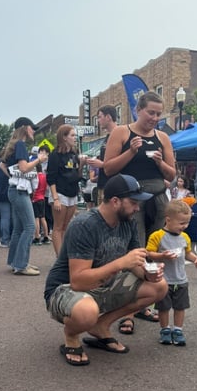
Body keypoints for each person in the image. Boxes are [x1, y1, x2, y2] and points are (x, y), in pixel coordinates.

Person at [44, 174, 168, 366]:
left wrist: (147, 273)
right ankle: (71, 335)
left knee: (159, 286)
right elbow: (78, 281)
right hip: (65, 289)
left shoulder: (129, 223)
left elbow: (134, 262)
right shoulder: (85, 224)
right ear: (115, 201)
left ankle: (100, 326)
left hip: (102, 285)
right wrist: (121, 263)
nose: (137, 208)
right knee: (87, 311)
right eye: (134, 202)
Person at [104, 91, 176, 329]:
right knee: (133, 251)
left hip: (157, 199)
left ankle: (144, 303)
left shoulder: (162, 137)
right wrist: (131, 152)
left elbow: (171, 174)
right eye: (151, 113)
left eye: (158, 113)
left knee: (153, 251)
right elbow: (108, 169)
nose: (155, 118)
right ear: (138, 110)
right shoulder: (121, 132)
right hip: (131, 201)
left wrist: (159, 162)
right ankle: (127, 314)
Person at [146, 200, 197, 346]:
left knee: (180, 306)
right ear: (168, 219)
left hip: (180, 279)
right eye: (181, 223)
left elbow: (187, 253)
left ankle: (177, 330)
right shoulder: (157, 236)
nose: (184, 226)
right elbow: (149, 253)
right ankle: (164, 330)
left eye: (187, 223)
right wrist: (162, 256)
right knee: (163, 307)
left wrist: (195, 259)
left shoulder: (185, 237)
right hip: (163, 280)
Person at [1, 117, 48, 275]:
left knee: (19, 228)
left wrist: (13, 178)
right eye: (31, 127)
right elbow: (23, 168)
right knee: (29, 227)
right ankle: (21, 265)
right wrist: (38, 160)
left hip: (14, 189)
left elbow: (2, 164)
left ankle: (15, 262)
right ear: (24, 128)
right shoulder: (20, 144)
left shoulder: (12, 145)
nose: (33, 130)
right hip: (20, 191)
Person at [47, 124, 86, 256]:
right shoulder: (55, 155)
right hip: (60, 192)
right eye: (72, 135)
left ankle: (64, 255)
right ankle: (60, 258)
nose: (75, 138)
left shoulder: (74, 153)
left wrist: (81, 165)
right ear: (64, 137)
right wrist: (55, 198)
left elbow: (77, 175)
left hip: (72, 192)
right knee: (58, 227)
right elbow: (50, 178)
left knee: (66, 226)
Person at [87, 105, 118, 205]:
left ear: (108, 117)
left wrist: (102, 164)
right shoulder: (108, 136)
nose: (98, 121)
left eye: (100, 117)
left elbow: (121, 161)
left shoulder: (119, 134)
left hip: (112, 186)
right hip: (102, 183)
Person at [32, 163, 50, 245]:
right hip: (42, 198)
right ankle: (46, 236)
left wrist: (32, 197)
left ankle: (37, 236)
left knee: (36, 218)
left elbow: (35, 188)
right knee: (43, 218)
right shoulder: (44, 176)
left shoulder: (35, 177)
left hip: (36, 198)